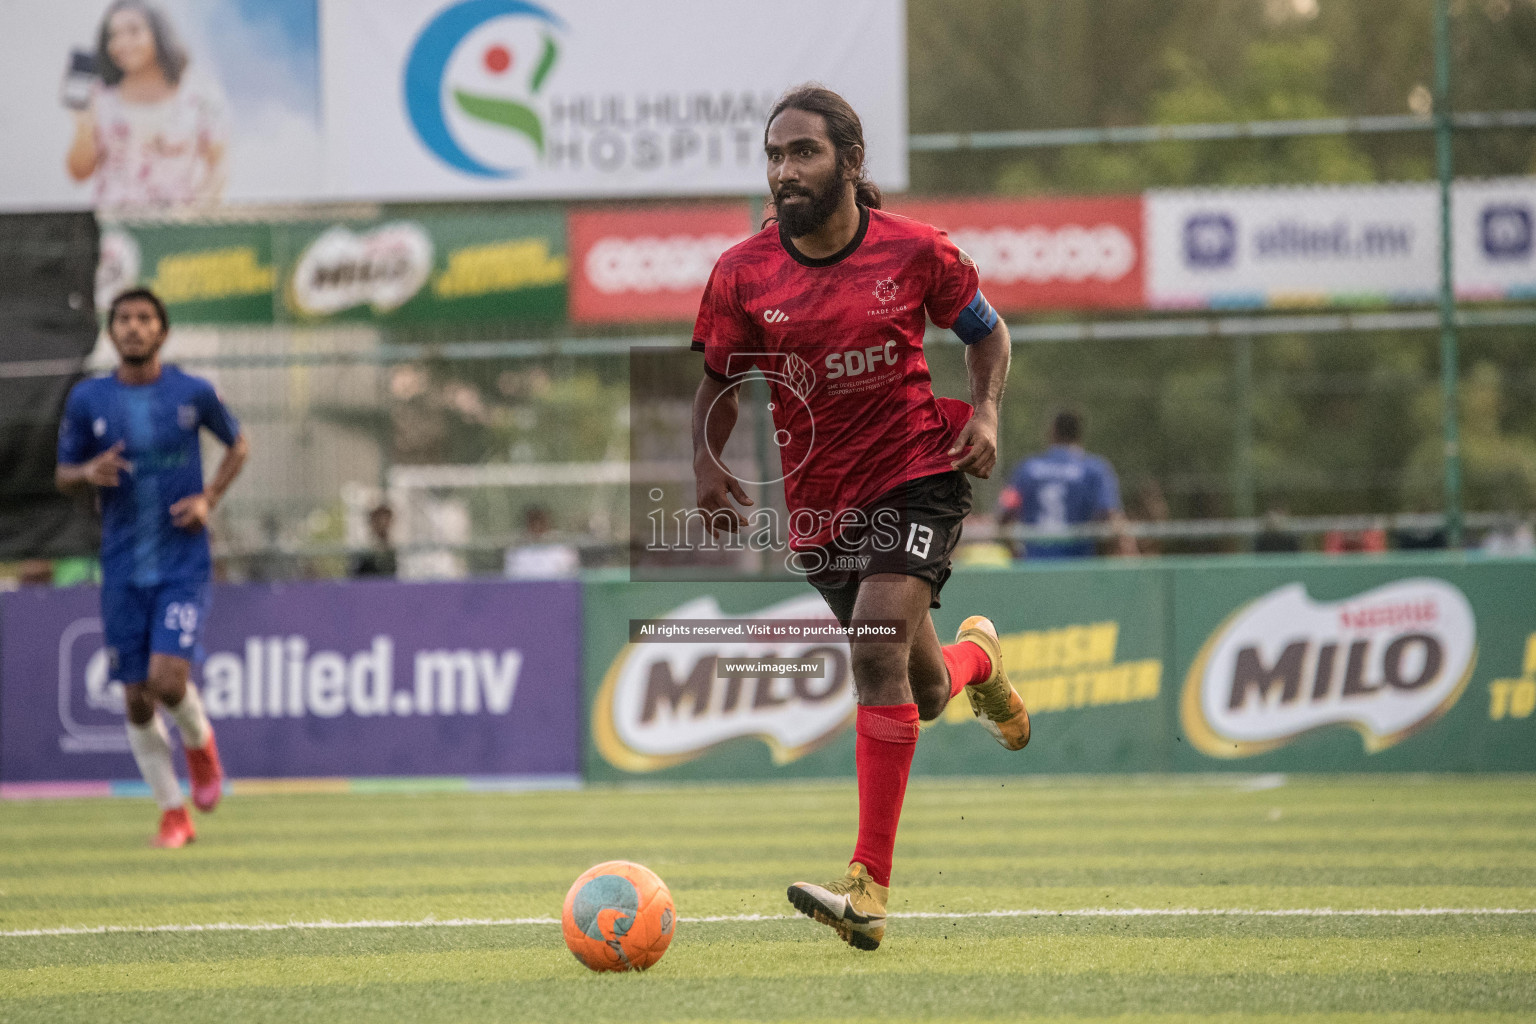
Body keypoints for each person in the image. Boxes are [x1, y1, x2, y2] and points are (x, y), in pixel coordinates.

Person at [691, 85, 1030, 951]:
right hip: (821, 508)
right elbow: (719, 381)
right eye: (773, 155)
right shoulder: (742, 273)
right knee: (920, 686)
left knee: (874, 648)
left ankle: (868, 890)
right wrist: (707, 462)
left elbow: (986, 335)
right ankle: (977, 660)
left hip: (920, 473)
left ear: (850, 160)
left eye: (802, 152)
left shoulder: (918, 251)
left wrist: (985, 412)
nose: (783, 171)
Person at [56, 287, 249, 848]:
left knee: (168, 682)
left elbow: (238, 444)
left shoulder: (191, 391)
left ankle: (201, 746)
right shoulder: (88, 399)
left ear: (162, 331)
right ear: (110, 331)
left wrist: (209, 497)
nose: (134, 328)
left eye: (145, 319)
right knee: (136, 697)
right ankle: (172, 813)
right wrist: (86, 471)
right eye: (124, 319)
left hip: (182, 560)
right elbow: (63, 474)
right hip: (121, 566)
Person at [64, 1, 227, 210]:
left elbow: (219, 166)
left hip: (177, 228)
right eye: (114, 35)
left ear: (159, 33)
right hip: (115, 231)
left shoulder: (199, 93)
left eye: (133, 31)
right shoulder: (101, 95)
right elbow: (79, 172)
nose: (123, 42)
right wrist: (83, 126)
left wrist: (196, 219)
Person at [997, 410, 1135, 558]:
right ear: (1079, 434)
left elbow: (1005, 513)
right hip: (1078, 566)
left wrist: (1015, 551)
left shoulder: (1026, 469)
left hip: (1035, 564)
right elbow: (1111, 515)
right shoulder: (1095, 469)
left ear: (1052, 432)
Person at [503, 505, 580, 579]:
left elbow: (571, 576)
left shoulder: (563, 549)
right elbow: (513, 578)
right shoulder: (516, 552)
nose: (537, 527)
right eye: (533, 522)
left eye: (541, 522)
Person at [349, 503, 397, 578]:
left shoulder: (394, 546)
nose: (384, 524)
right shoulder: (364, 547)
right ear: (373, 523)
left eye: (387, 520)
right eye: (379, 520)